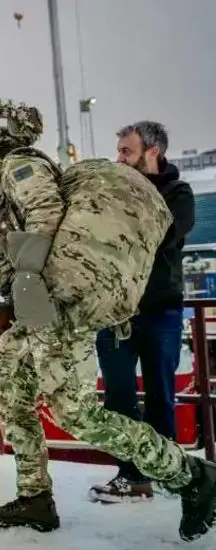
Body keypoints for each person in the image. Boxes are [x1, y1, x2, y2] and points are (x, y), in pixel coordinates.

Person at [0, 96, 215, 542]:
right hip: (38, 304)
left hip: (54, 303)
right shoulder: (8, 171)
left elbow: (43, 215)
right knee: (12, 402)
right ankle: (34, 497)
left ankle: (192, 476)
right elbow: (20, 237)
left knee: (76, 413)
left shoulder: (18, 164)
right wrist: (10, 303)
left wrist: (26, 297)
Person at [89, 121, 196, 503]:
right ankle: (131, 475)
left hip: (160, 310)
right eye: (118, 150)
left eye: (127, 151)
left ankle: (165, 471)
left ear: (153, 152)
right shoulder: (112, 192)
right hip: (114, 311)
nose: (119, 158)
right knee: (118, 396)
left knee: (160, 395)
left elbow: (164, 234)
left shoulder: (178, 193)